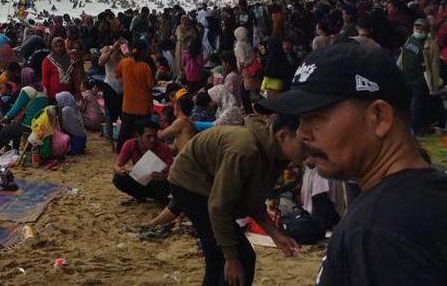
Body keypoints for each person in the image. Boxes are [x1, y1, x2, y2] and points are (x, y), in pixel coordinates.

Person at [257, 42, 447, 284]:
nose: (303, 133)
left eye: (316, 116)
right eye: (300, 119)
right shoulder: (430, 191)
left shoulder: (377, 231)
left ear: (379, 117)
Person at [167, 116, 304, 286]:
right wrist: (231, 257)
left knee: (218, 257)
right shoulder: (245, 150)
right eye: (304, 143)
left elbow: (253, 200)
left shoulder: (276, 155)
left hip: (209, 190)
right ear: (283, 136)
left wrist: (275, 234)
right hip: (190, 186)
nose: (309, 150)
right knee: (241, 258)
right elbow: (219, 206)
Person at [398, 18, 443, 134]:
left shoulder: (430, 45)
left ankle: (416, 127)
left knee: (417, 103)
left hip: (420, 78)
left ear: (427, 30)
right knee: (414, 103)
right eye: (416, 27)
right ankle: (414, 126)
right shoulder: (410, 39)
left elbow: (434, 66)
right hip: (407, 76)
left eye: (420, 28)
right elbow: (402, 57)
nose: (418, 30)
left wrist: (434, 85)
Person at [0, 85, 45, 157]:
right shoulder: (44, 90)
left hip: (28, 125)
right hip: (40, 124)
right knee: (13, 127)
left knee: (5, 131)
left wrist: (6, 117)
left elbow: (16, 107)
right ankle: (15, 150)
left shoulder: (27, 90)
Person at [112, 119, 173, 202]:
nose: (152, 140)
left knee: (163, 184)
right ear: (138, 136)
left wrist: (163, 177)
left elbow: (173, 174)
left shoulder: (164, 149)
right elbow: (117, 164)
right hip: (140, 181)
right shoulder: (130, 144)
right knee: (118, 178)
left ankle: (159, 198)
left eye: (154, 136)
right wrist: (119, 170)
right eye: (148, 136)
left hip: (158, 183)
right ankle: (141, 196)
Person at [115, 40, 155, 153]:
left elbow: (117, 75)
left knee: (125, 130)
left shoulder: (124, 63)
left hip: (128, 104)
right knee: (144, 131)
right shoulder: (145, 67)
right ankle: (142, 151)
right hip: (144, 105)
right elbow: (151, 85)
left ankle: (121, 151)